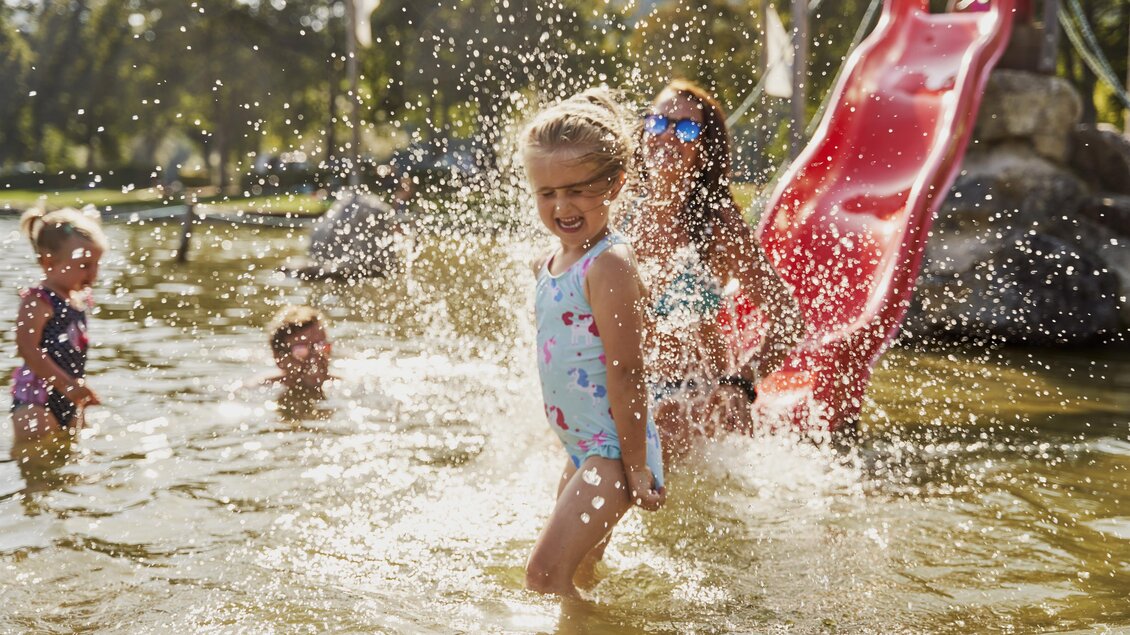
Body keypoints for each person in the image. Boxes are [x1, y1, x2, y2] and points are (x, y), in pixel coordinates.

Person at [522, 89, 666, 598]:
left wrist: (636, 469)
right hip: (585, 450)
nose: (562, 206)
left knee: (543, 576)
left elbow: (628, 372)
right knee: (579, 573)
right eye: (547, 193)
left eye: (579, 191)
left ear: (616, 183)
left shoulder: (608, 265)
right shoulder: (551, 261)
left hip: (613, 453)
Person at [626, 80, 805, 456]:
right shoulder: (619, 211)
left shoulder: (718, 226)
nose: (668, 135)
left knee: (657, 444)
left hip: (692, 397)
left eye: (686, 129)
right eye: (658, 122)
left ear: (704, 149)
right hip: (625, 386)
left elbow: (787, 318)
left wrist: (742, 383)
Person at [10, 207, 106, 444]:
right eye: (84, 265)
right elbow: (27, 349)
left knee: (71, 459)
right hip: (36, 401)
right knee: (36, 459)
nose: (93, 273)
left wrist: (77, 388)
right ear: (49, 262)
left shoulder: (76, 300)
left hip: (69, 398)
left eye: (97, 264)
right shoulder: (39, 300)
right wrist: (67, 385)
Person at [264, 305, 334, 400]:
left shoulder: (346, 385)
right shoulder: (260, 389)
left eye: (321, 347)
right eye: (301, 351)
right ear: (278, 358)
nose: (315, 358)